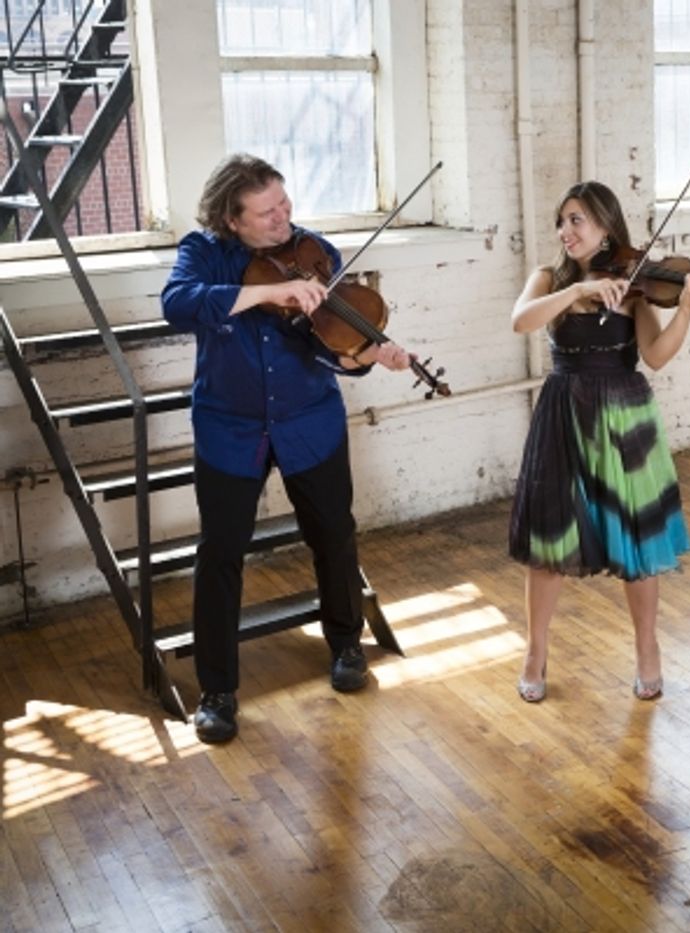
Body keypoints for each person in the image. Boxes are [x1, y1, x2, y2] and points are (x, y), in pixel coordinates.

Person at [162, 154, 413, 744]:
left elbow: (332, 350)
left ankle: (347, 645)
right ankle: (218, 691)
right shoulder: (202, 252)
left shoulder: (316, 251)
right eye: (267, 212)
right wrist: (270, 290)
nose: (284, 219)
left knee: (334, 533)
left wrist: (368, 355)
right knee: (221, 552)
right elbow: (178, 305)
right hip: (231, 427)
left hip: (309, 421)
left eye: (285, 205)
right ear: (234, 218)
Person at [508, 181, 690, 703]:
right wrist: (578, 290)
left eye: (577, 220)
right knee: (550, 538)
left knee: (637, 537)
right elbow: (521, 320)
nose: (566, 230)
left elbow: (657, 354)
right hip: (563, 410)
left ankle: (648, 648)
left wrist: (686, 310)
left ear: (605, 226)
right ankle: (536, 649)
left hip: (623, 413)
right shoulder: (551, 277)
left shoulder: (635, 282)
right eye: (562, 220)